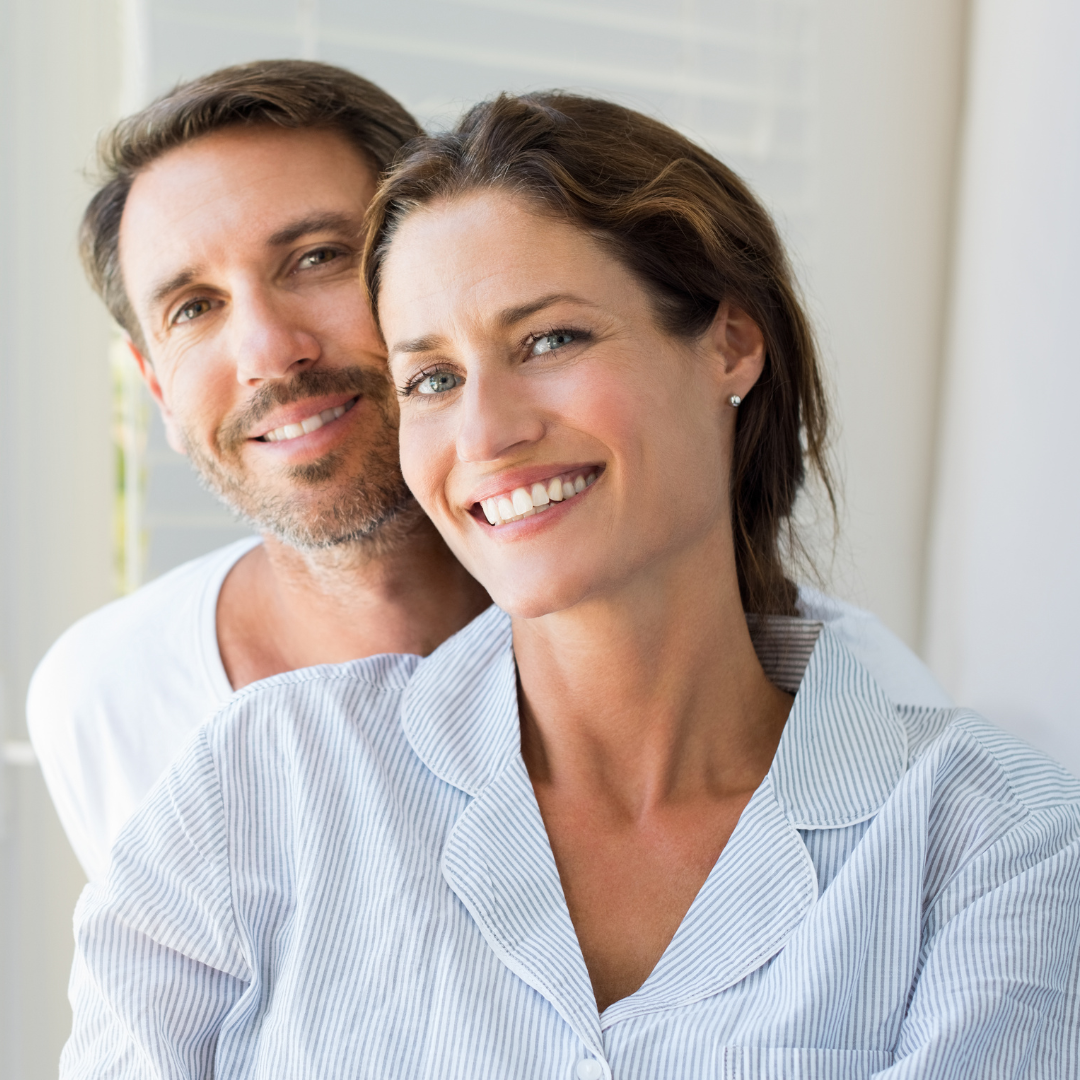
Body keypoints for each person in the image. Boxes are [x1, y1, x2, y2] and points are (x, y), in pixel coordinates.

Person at [64, 93, 1080, 1078]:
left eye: (551, 340)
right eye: (432, 379)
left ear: (730, 343)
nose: (487, 431)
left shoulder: (996, 840)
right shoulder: (253, 781)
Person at [29, 61, 948, 885]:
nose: (270, 351)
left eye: (317, 258)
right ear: (154, 384)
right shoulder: (107, 701)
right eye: (193, 308)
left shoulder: (866, 718)